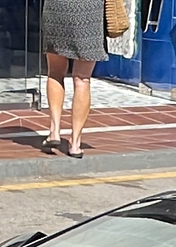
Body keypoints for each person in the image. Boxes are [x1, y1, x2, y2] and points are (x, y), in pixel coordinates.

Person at [40, 0, 103, 157]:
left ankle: (54, 131)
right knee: (82, 79)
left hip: (58, 8)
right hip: (89, 11)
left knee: (55, 72)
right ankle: (75, 144)